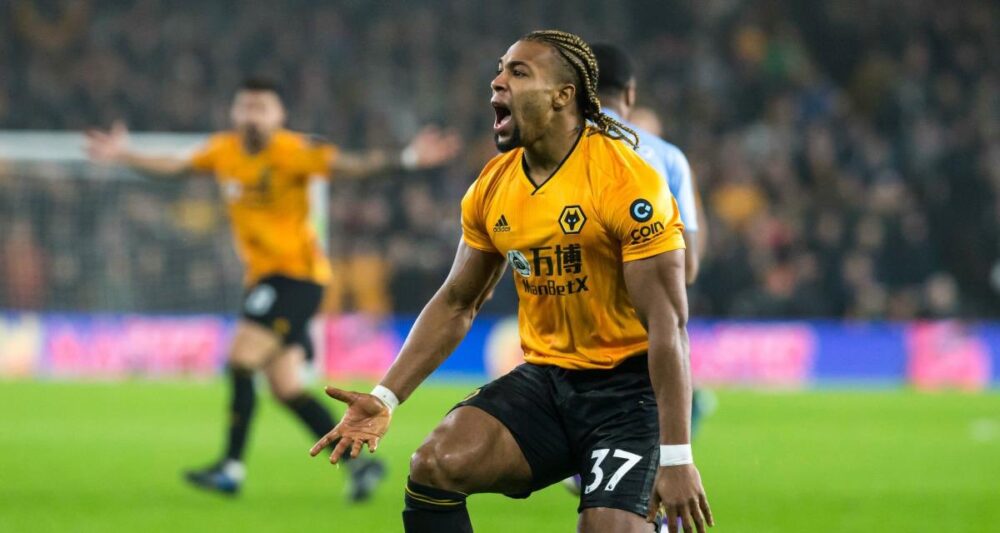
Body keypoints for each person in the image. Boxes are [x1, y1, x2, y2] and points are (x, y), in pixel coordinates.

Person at [310, 31, 713, 533]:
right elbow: (458, 302)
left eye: (518, 72)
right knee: (435, 464)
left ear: (563, 95)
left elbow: (668, 324)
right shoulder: (493, 186)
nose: (497, 81)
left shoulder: (627, 182)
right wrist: (385, 396)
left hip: (629, 393)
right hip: (547, 381)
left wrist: (677, 457)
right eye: (500, 70)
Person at [85, 77, 461, 500]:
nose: (252, 116)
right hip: (264, 280)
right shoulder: (224, 151)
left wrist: (408, 158)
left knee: (241, 359)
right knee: (285, 388)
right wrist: (124, 154)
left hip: (296, 277)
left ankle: (230, 467)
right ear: (234, 112)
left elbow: (350, 166)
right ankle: (361, 466)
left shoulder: (292, 151)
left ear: (279, 115)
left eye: (262, 108)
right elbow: (175, 166)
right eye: (246, 107)